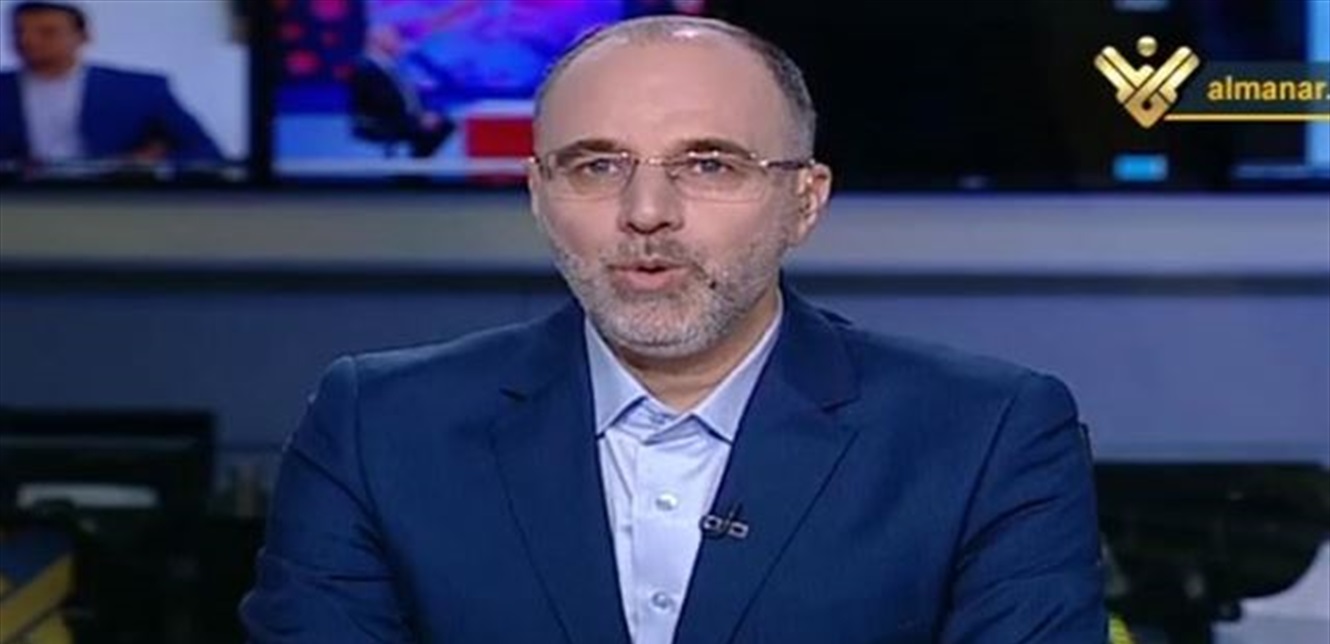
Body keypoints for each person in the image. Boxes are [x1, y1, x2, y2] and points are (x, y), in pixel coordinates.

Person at [242, 15, 1106, 643]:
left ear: (804, 201)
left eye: (708, 164)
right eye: (596, 165)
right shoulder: (378, 426)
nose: (646, 211)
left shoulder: (986, 435)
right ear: (539, 195)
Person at [0, 0, 224, 165]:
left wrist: (146, 166)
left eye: (47, 33)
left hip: (115, 200)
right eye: (19, 32)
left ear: (83, 37)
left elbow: (205, 151)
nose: (27, 40)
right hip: (18, 200)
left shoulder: (139, 90)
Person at [348, 23, 454, 159]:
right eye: (395, 38)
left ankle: (416, 165)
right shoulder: (365, 67)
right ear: (379, 41)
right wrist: (418, 119)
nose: (400, 42)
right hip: (381, 121)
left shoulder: (390, 65)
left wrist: (425, 113)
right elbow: (383, 103)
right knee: (432, 127)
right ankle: (414, 167)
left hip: (400, 117)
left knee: (444, 123)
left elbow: (406, 96)